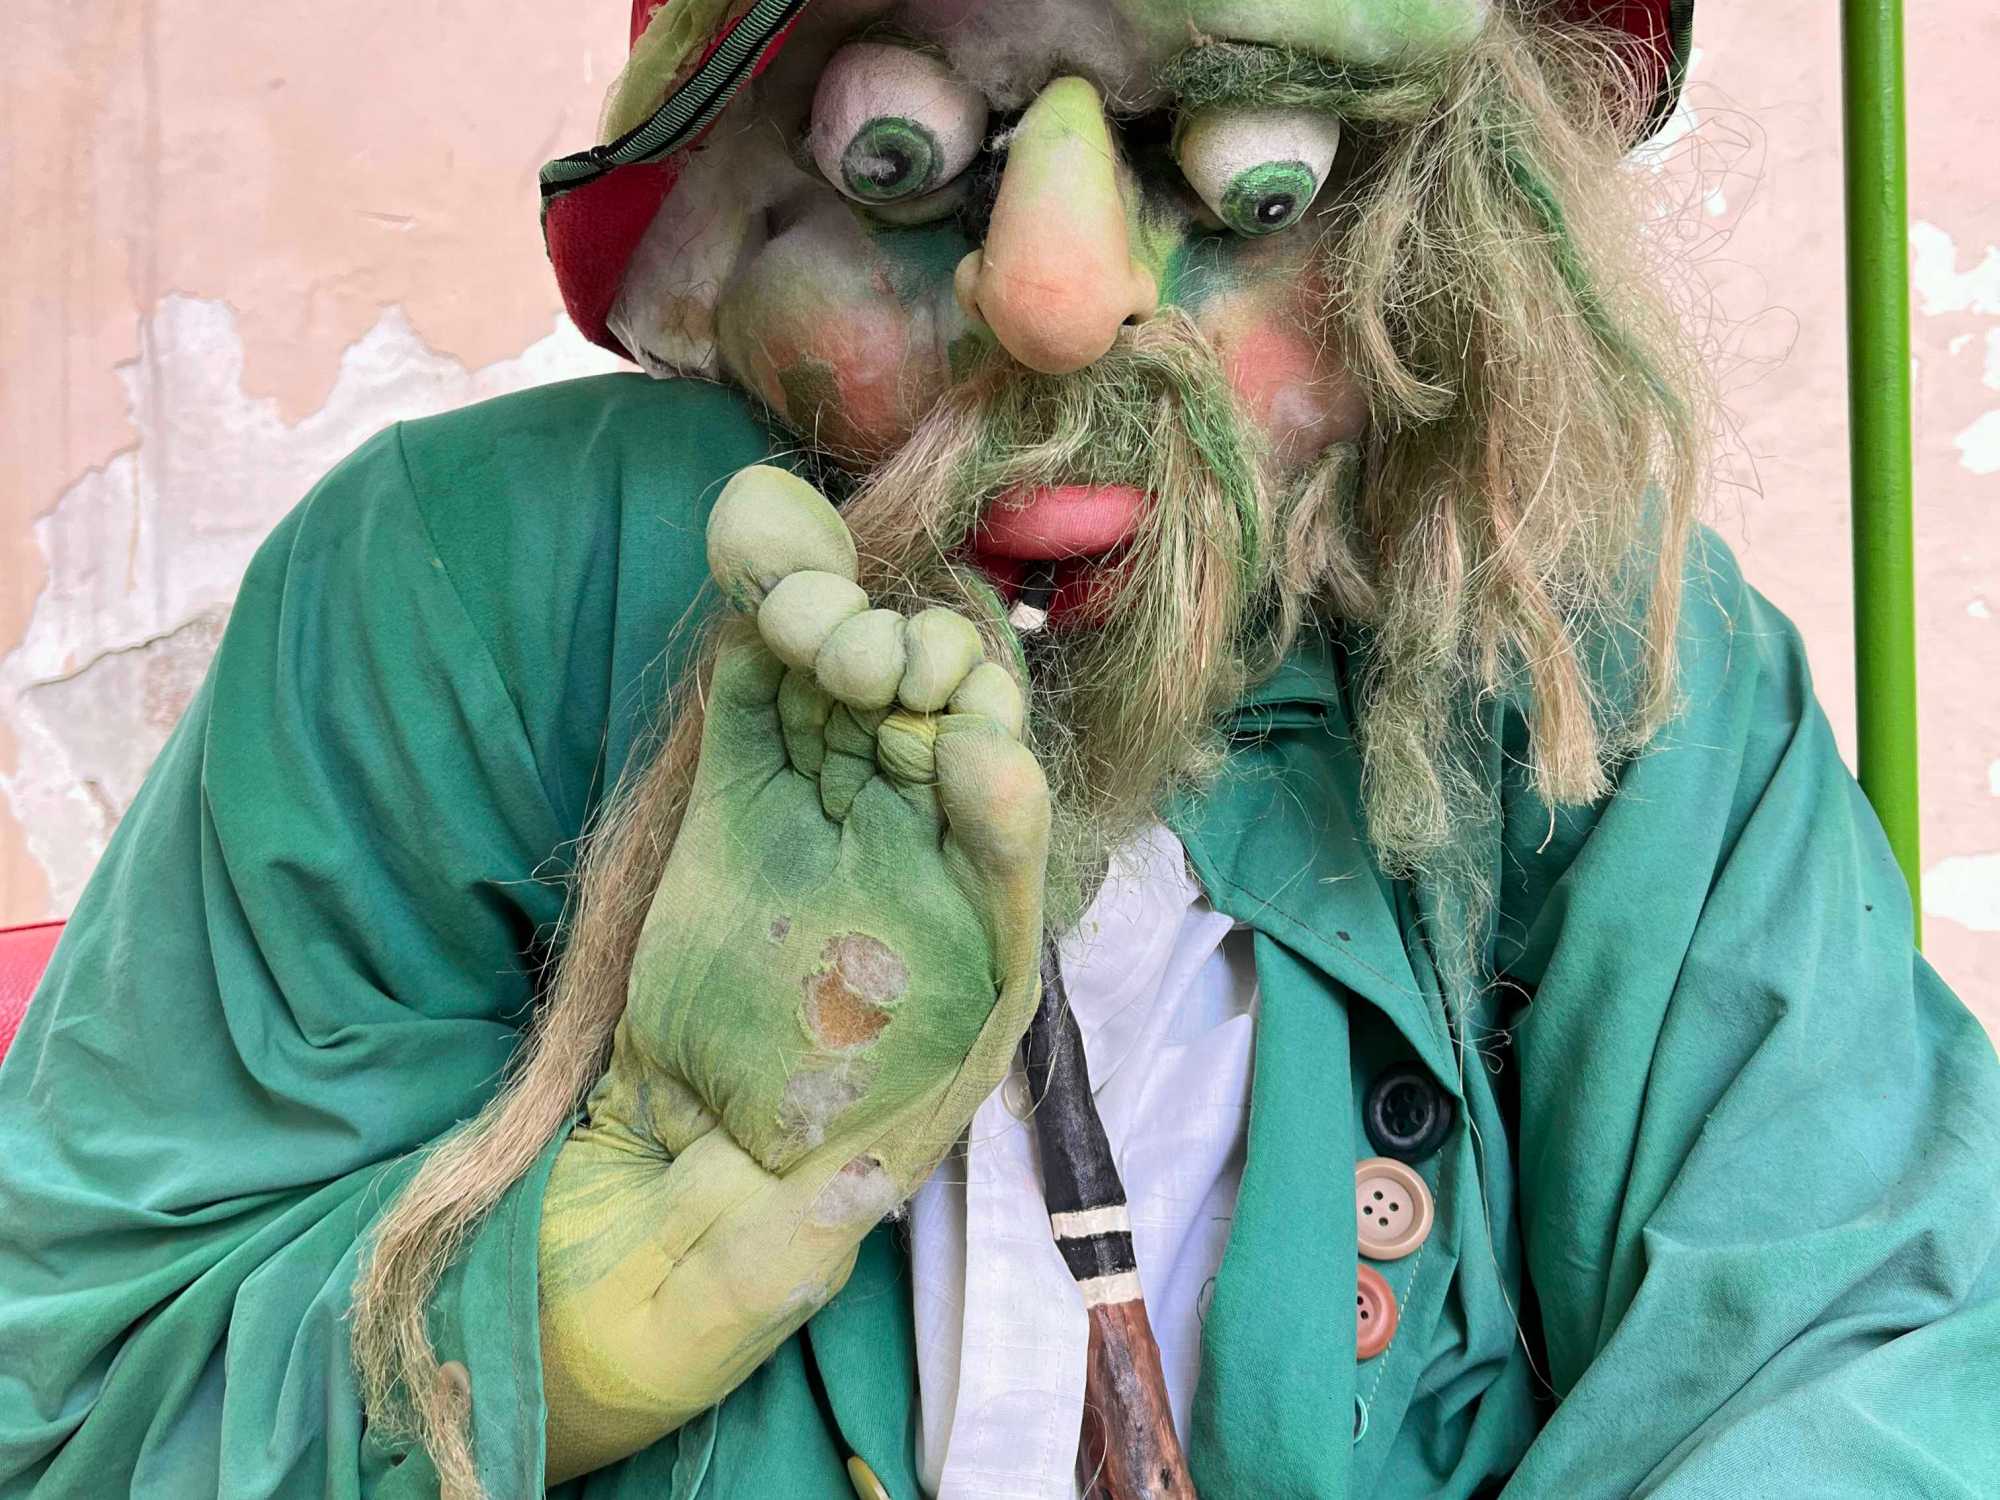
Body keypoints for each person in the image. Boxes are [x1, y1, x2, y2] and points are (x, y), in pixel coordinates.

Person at [3, 1, 1997, 1496]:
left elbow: (1866, 1339)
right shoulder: (453, 592)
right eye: (897, 162)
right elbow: (67, 1406)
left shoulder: (1574, 644)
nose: (1053, 311)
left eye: (1259, 181)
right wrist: (555, 1313)